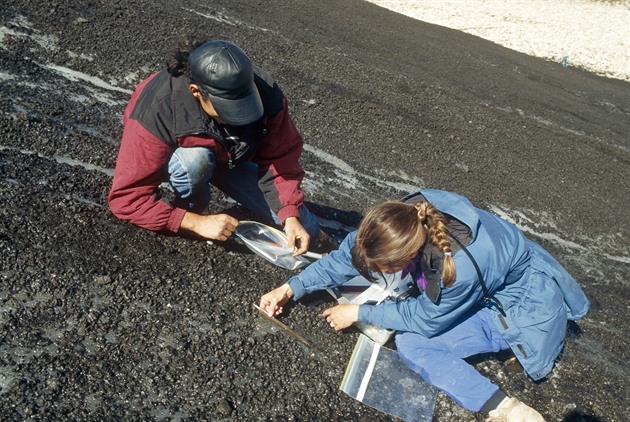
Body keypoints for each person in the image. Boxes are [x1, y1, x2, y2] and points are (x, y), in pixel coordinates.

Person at [259, 189, 589, 421]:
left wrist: (357, 311)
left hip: (523, 308)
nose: (369, 271)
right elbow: (347, 257)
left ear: (408, 257)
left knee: (413, 344)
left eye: (379, 268)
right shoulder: (405, 217)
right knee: (402, 297)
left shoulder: (454, 270)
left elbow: (425, 319)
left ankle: (504, 409)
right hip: (496, 278)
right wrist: (288, 289)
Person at [108, 36, 336, 254]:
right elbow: (126, 199)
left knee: (308, 229)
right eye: (229, 111)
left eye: (245, 108)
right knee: (194, 161)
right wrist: (195, 223)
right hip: (185, 156)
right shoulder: (157, 110)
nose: (239, 118)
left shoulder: (266, 92)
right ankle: (191, 206)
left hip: (229, 157)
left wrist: (290, 214)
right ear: (196, 92)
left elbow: (279, 157)